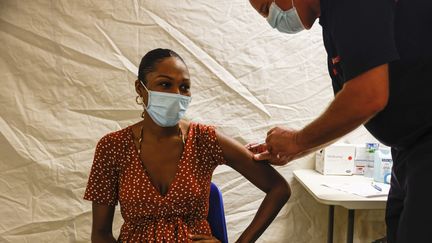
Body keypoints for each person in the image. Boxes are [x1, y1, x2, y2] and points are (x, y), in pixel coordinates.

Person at [246, 0, 432, 242]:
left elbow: (367, 97)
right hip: (408, 149)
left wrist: (296, 141)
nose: (272, 20)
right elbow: (353, 107)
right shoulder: (334, 20)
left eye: (266, 9)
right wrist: (297, 148)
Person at [84, 48, 291, 242]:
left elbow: (278, 188)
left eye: (184, 87)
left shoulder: (204, 140)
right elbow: (100, 234)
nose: (176, 94)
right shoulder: (112, 147)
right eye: (165, 84)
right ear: (140, 88)